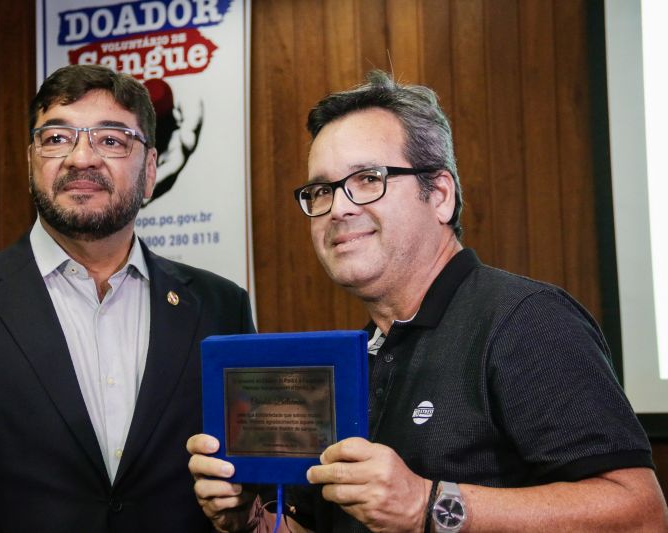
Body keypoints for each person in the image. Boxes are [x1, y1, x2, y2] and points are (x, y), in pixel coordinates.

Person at [187, 71, 668, 532]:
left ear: (439, 194)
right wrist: (249, 520)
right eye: (321, 191)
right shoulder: (355, 357)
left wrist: (427, 504)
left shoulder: (525, 320)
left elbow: (640, 514)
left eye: (368, 179)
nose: (338, 208)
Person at [0, 64, 255, 532]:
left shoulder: (221, 305)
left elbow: (246, 479)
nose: (81, 158)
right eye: (56, 138)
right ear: (31, 158)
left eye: (112, 140)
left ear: (151, 170)